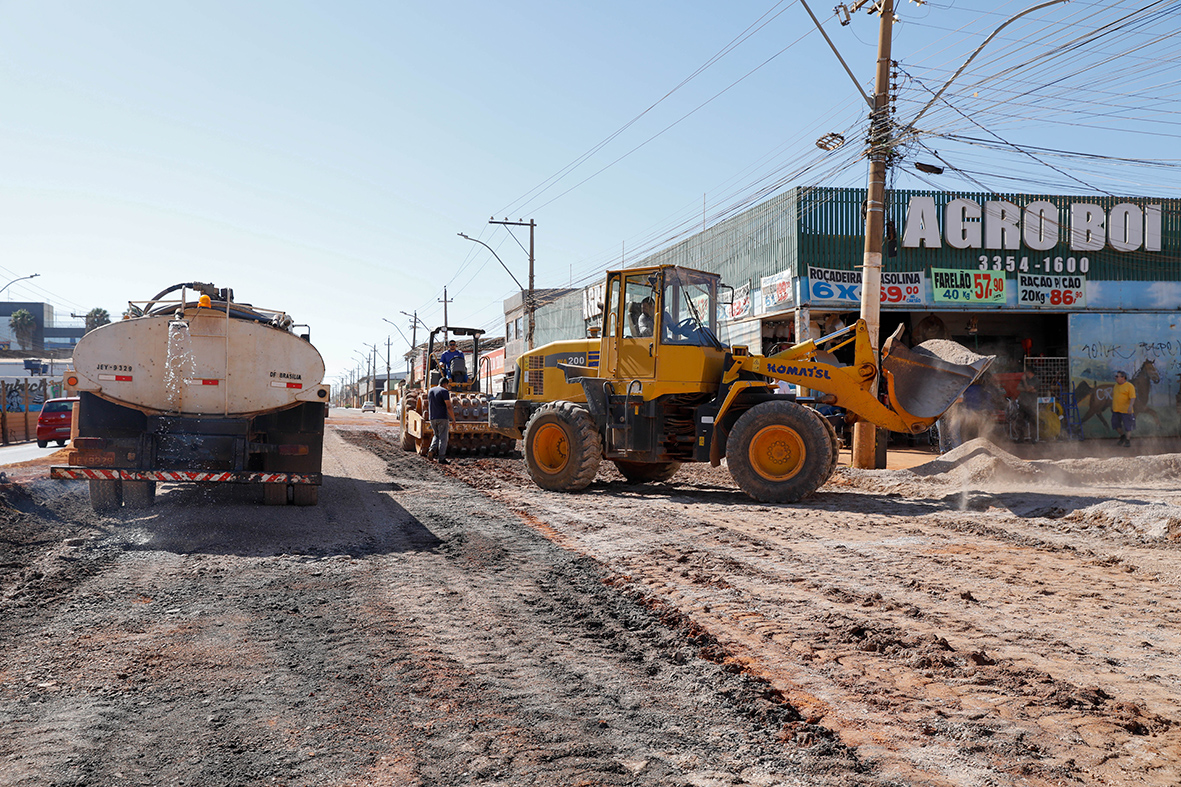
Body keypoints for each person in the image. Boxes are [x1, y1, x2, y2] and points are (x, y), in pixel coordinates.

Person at [427, 377, 456, 464]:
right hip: (442, 417)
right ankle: (441, 458)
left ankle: (431, 450)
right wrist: (453, 419)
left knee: (436, 435)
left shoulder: (431, 391)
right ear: (445, 384)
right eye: (447, 385)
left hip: (432, 417)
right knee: (443, 437)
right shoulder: (444, 391)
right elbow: (449, 406)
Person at [1111, 369, 1136, 448]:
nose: (1116, 378)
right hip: (1116, 410)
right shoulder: (1116, 386)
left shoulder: (1129, 386)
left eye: (1117, 376)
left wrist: (1130, 406)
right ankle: (1123, 436)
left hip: (1126, 410)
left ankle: (1127, 441)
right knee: (1115, 425)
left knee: (1128, 426)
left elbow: (1132, 398)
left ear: (1123, 377)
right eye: (1116, 376)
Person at [1015, 367, 1039, 442]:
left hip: (1031, 404)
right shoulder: (1024, 381)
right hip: (1023, 403)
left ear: (1030, 372)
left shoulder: (1035, 380)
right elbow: (1018, 388)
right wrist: (1027, 389)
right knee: (1020, 421)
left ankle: (1033, 438)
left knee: (1032, 421)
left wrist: (1025, 382)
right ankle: (1020, 437)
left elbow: (1029, 389)